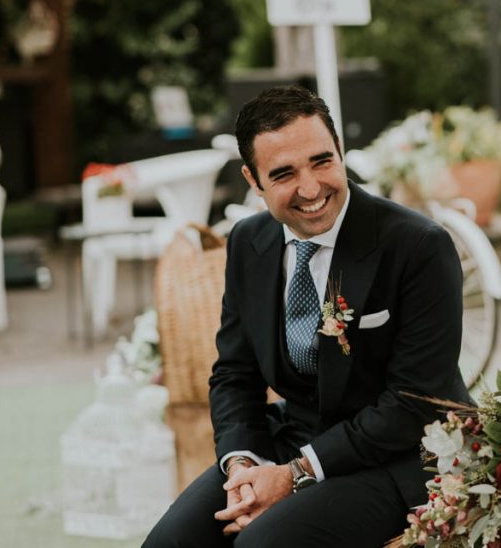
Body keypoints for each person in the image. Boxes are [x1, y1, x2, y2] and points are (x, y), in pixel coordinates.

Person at [144, 85, 470, 547]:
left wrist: (294, 475)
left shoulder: (418, 246)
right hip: (290, 438)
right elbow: (235, 373)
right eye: (284, 174)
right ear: (253, 180)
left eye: (322, 161)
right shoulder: (248, 242)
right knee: (170, 543)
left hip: (401, 457)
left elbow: (414, 403)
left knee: (260, 545)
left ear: (341, 150)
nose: (311, 188)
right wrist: (243, 467)